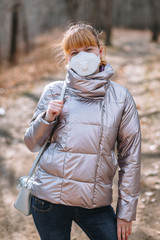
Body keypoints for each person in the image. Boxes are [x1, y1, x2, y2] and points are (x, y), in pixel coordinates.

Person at [24, 23, 141, 240]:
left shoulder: (121, 97)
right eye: (75, 52)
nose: (83, 57)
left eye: (88, 49)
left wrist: (126, 213)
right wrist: (47, 118)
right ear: (68, 59)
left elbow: (130, 159)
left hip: (95, 204)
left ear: (100, 51)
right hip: (49, 201)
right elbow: (32, 144)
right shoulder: (54, 91)